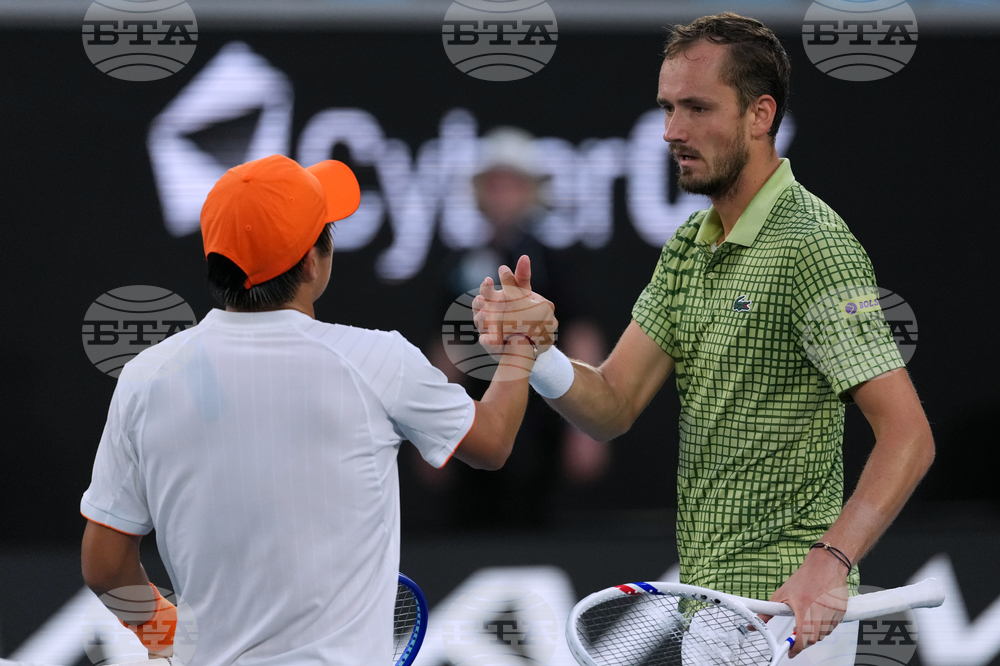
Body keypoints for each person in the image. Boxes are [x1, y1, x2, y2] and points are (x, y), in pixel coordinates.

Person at [473, 13, 934, 663]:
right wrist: (536, 354)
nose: (671, 132)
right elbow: (611, 405)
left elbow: (908, 435)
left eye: (696, 108)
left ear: (759, 114)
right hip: (711, 605)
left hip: (785, 614)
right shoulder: (689, 246)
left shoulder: (813, 245)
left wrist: (829, 563)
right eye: (667, 108)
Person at [78, 155, 554, 665]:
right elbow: (494, 441)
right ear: (311, 261)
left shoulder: (146, 378)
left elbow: (105, 566)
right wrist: (522, 343)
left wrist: (166, 637)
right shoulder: (377, 360)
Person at [421, 127, 609, 531]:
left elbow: (581, 334)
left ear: (530, 191)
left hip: (539, 424)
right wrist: (429, 429)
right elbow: (447, 346)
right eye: (494, 184)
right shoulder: (461, 262)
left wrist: (587, 424)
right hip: (472, 419)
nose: (502, 195)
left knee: (534, 526)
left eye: (512, 185)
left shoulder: (554, 261)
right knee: (471, 526)